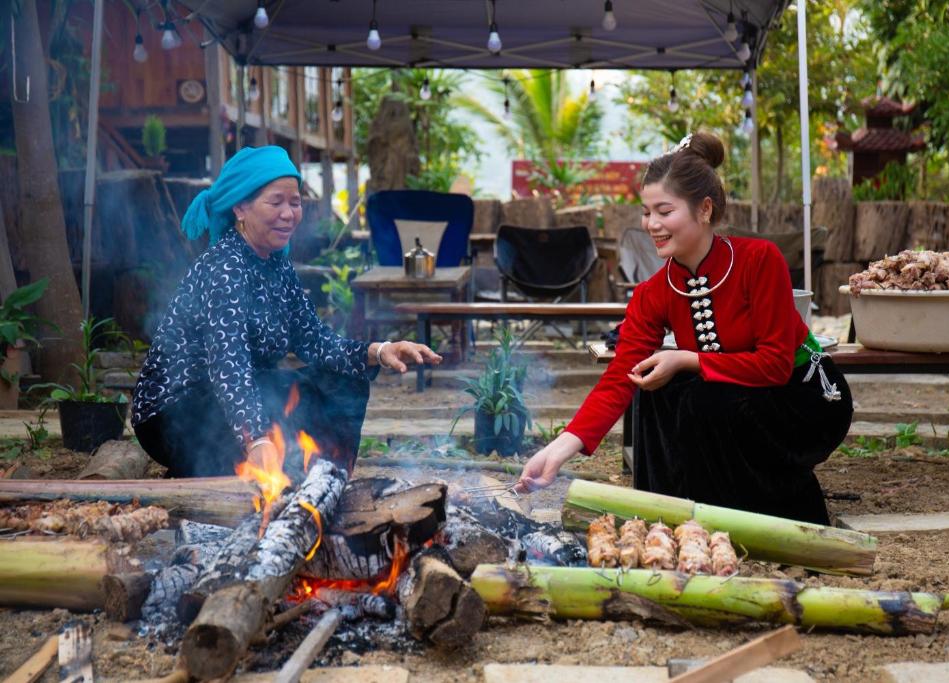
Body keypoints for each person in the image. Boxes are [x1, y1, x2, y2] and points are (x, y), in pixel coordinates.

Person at [515, 133, 852, 525]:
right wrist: (557, 450)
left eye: (664, 211)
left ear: (704, 209)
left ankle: (777, 514)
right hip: (737, 399)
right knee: (653, 387)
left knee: (702, 397)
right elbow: (618, 379)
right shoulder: (654, 292)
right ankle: (678, 517)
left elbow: (775, 365)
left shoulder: (759, 260)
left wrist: (687, 358)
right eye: (646, 212)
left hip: (802, 399)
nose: (652, 225)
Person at [132, 146, 440, 478]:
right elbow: (229, 363)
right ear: (240, 207)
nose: (289, 213)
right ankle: (223, 472)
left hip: (237, 399)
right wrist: (256, 438)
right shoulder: (226, 266)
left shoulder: (277, 266)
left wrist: (381, 351)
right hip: (176, 412)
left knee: (337, 384)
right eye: (275, 202)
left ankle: (324, 478)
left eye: (295, 203)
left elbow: (316, 341)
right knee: (272, 402)